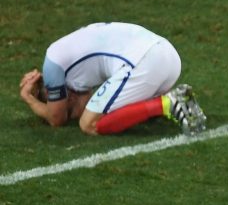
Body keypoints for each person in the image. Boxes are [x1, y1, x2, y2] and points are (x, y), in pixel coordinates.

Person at [18, 21, 205, 136]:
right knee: (113, 113)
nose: (76, 111)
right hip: (168, 56)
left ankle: (166, 104)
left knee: (88, 124)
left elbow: (56, 119)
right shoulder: (69, 60)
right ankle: (174, 104)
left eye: (71, 110)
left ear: (69, 97)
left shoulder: (53, 62)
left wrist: (29, 99)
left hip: (145, 61)